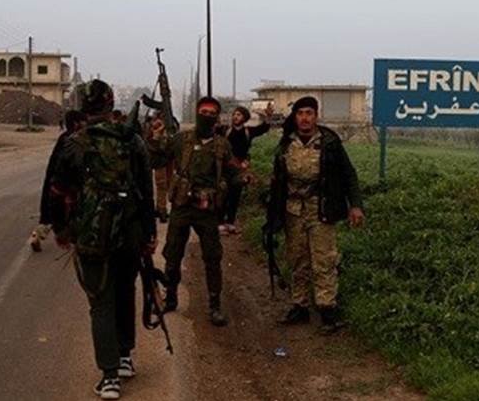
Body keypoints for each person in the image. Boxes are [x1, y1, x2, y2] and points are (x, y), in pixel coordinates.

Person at [49, 80, 157, 400]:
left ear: (83, 106)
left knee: (101, 302)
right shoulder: (132, 140)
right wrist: (149, 233)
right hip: (130, 233)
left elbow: (57, 191)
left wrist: (61, 230)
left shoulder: (74, 143)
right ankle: (124, 358)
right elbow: (146, 191)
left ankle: (109, 377)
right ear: (111, 104)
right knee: (125, 292)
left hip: (92, 236)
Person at [267, 96, 364, 334]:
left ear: (316, 116)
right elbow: (277, 180)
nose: (305, 118)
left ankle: (327, 309)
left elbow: (348, 174)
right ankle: (299, 306)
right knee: (297, 259)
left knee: (324, 260)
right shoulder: (286, 143)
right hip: (293, 210)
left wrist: (355, 205)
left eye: (309, 113)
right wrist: (273, 213)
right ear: (295, 117)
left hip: (321, 208)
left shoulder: (329, 142)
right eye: (300, 113)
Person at [147, 96, 247, 327]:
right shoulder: (181, 140)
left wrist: (243, 178)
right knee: (173, 255)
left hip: (207, 211)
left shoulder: (222, 145)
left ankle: (215, 306)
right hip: (182, 207)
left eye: (212, 113)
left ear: (217, 117)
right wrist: (155, 136)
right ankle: (170, 297)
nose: (207, 116)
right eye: (204, 112)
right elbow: (157, 159)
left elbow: (233, 172)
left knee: (212, 257)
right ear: (197, 113)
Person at [28, 109, 87, 252]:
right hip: (66, 185)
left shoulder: (63, 138)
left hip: (54, 182)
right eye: (83, 121)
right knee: (67, 215)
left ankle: (36, 236)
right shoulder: (75, 141)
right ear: (76, 123)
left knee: (48, 215)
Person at [216, 104, 273, 234]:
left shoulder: (248, 132)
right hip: (224, 169)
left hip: (239, 169)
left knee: (235, 195)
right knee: (222, 194)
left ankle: (230, 222)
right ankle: (220, 222)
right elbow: (212, 129)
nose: (235, 117)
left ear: (245, 118)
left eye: (239, 114)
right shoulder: (225, 130)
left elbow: (264, 128)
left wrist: (268, 117)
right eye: (234, 114)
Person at [145, 112, 171, 223]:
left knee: (161, 187)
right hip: (155, 161)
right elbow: (152, 146)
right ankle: (159, 210)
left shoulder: (161, 130)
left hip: (159, 162)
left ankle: (161, 210)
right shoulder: (152, 130)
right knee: (158, 187)